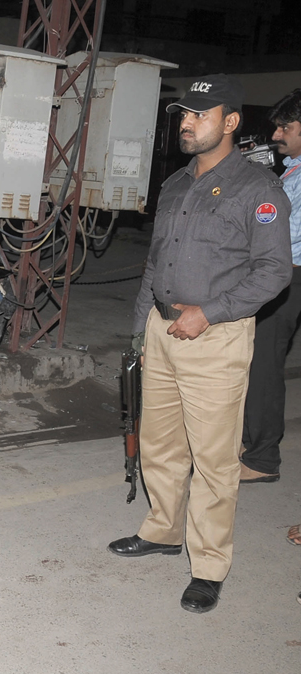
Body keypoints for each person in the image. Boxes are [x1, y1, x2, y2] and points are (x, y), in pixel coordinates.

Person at [108, 74, 292, 614]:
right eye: (183, 114)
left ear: (230, 122)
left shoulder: (258, 190)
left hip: (215, 338)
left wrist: (208, 314)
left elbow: (274, 271)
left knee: (214, 461)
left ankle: (209, 565)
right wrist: (141, 330)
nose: (186, 123)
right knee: (160, 446)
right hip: (162, 334)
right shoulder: (175, 185)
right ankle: (163, 531)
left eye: (199, 114)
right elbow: (154, 265)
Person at [241, 89, 301, 483]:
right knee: (252, 360)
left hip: (288, 274)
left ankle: (262, 459)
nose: (277, 134)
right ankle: (250, 442)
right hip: (278, 271)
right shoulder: (293, 166)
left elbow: (282, 228)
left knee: (264, 364)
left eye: (286, 126)